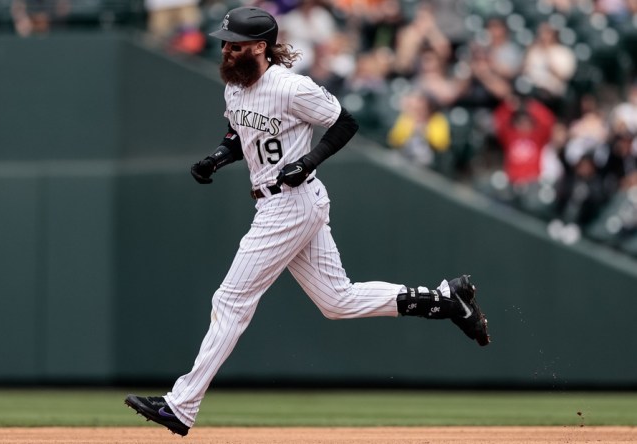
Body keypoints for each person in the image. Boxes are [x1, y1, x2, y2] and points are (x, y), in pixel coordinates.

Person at [124, 6, 490, 437]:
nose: (225, 50)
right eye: (224, 43)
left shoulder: (290, 87)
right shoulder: (236, 86)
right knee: (337, 301)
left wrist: (308, 160)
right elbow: (241, 135)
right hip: (282, 202)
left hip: (291, 203)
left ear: (260, 47)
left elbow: (344, 123)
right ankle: (447, 301)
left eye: (235, 44)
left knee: (229, 301)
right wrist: (218, 158)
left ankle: (180, 406)